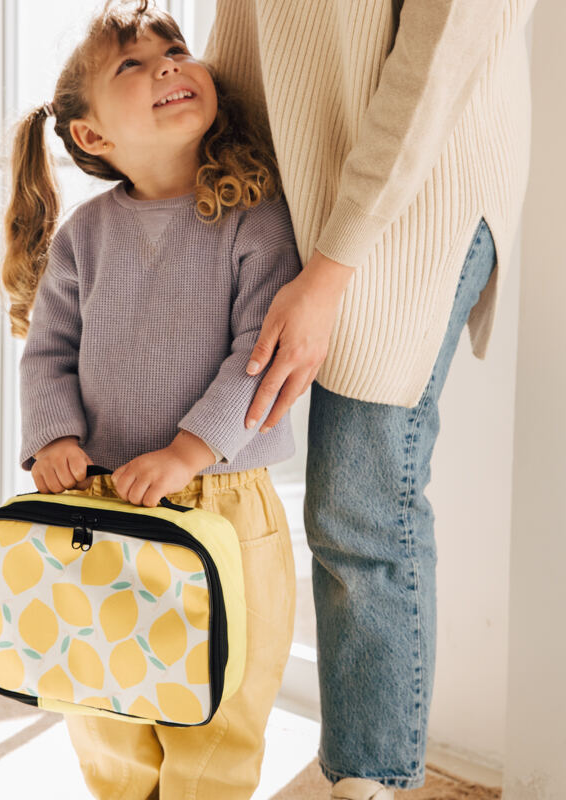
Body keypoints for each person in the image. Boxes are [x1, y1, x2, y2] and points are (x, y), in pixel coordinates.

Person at [200, 1, 538, 798]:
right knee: (205, 459)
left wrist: (329, 269)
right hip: (286, 167)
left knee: (358, 500)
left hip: (423, 184)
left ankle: (370, 781)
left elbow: (436, 68)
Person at [0, 1, 302, 798]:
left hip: (226, 508)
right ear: (92, 136)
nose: (169, 63)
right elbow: (48, 351)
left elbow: (261, 353)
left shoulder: (253, 217)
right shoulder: (83, 238)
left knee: (220, 711)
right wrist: (54, 437)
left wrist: (190, 451)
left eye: (175, 48)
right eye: (133, 65)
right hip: (103, 507)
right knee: (104, 700)